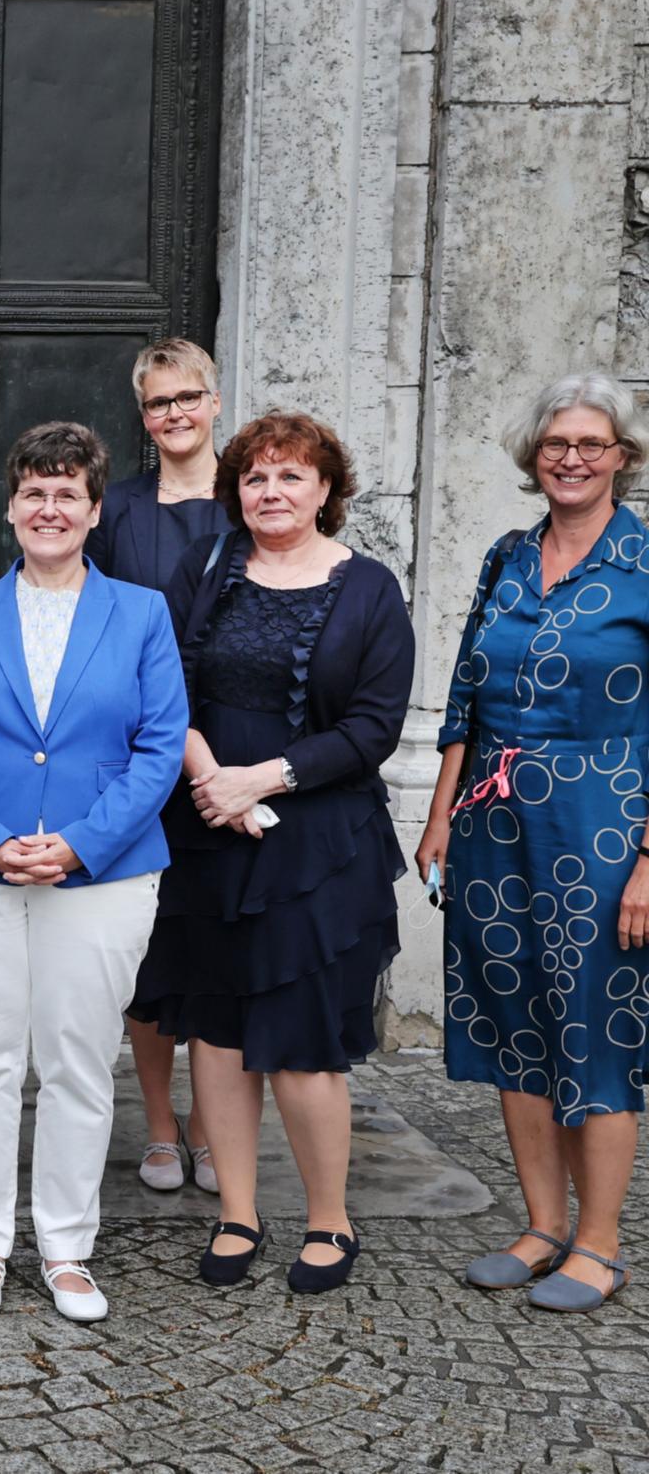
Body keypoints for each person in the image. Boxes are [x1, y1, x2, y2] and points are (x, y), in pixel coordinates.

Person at [129, 411, 412, 1294]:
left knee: (301, 1041)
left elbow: (374, 727)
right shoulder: (204, 569)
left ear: (327, 489)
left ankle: (329, 1219)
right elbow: (162, 679)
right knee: (212, 1031)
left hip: (319, 846)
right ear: (235, 491)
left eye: (292, 476)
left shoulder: (369, 589)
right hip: (208, 830)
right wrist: (214, 779)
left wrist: (266, 780)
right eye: (256, 477)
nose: (272, 492)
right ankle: (238, 1214)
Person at [0, 422, 185, 1322]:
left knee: (76, 1061)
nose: (50, 508)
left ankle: (67, 1247)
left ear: (95, 510)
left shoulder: (142, 614)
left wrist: (77, 844)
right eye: (34, 491)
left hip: (100, 876)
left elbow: (156, 749)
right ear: (12, 507)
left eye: (69, 493)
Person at [418, 373, 649, 1311]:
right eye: (557, 444)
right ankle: (542, 1223)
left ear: (622, 459)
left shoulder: (644, 564)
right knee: (515, 1023)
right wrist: (440, 813)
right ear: (533, 457)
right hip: (492, 818)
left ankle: (600, 1241)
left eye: (592, 444)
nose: (572, 458)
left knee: (593, 1026)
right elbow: (466, 698)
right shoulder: (506, 557)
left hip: (604, 820)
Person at [86, 338, 233, 1195]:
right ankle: (161, 1126)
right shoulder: (120, 510)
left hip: (233, 752)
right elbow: (83, 607)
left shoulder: (253, 498)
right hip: (139, 754)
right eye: (157, 403)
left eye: (188, 398)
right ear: (142, 417)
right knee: (148, 949)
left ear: (215, 401)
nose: (174, 414)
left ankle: (216, 1129)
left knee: (220, 946)